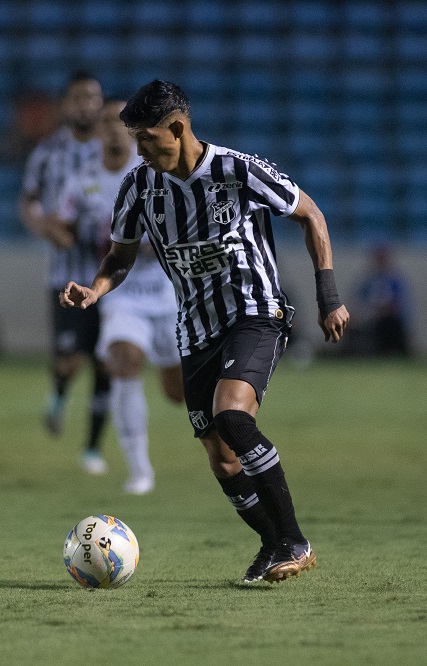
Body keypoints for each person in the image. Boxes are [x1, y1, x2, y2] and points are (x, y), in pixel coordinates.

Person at [60, 80, 349, 583]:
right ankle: (271, 545)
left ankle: (295, 542)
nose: (140, 150)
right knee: (221, 458)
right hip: (194, 330)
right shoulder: (139, 187)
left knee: (233, 416)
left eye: (147, 139)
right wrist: (95, 289)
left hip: (255, 313)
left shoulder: (238, 170)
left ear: (177, 127)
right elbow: (119, 256)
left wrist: (329, 298)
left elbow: (311, 215)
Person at [55, 99, 183, 495]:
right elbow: (63, 225)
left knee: (177, 394)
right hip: (119, 293)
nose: (113, 128)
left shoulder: (155, 172)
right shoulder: (82, 180)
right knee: (123, 362)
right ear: (97, 130)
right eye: (106, 122)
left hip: (167, 292)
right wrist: (80, 242)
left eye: (121, 123)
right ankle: (140, 471)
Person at [19, 71, 111, 474]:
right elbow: (29, 202)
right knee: (69, 360)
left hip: (111, 278)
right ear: (65, 105)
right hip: (66, 275)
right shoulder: (48, 152)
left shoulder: (116, 147)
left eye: (92, 97)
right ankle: (58, 393)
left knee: (108, 360)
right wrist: (45, 228)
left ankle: (92, 448)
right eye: (77, 98)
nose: (85, 105)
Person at [349, 245, 412, 356]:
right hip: (370, 319)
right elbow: (360, 303)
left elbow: (399, 305)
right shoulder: (367, 281)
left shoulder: (395, 281)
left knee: (390, 324)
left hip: (390, 320)